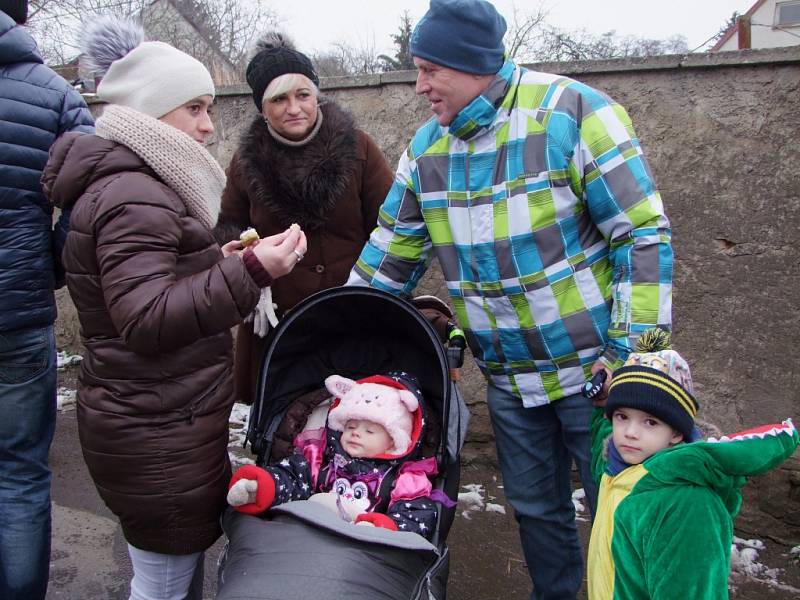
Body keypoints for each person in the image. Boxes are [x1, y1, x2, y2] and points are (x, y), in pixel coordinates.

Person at [346, 0, 673, 597]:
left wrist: (634, 359)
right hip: (509, 379)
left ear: (470, 63)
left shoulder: (574, 113)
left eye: (428, 70)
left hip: (598, 376)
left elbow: (642, 236)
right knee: (536, 512)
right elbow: (388, 259)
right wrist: (333, 330)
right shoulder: (427, 152)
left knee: (625, 512)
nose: (418, 86)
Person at [40, 17, 307, 600]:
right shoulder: (133, 192)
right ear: (151, 111)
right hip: (153, 429)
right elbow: (144, 318)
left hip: (161, 419)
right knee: (161, 585)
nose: (210, 126)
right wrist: (253, 271)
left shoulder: (137, 181)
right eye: (195, 108)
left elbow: (153, 284)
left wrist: (221, 260)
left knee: (169, 578)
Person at [214, 32, 394, 405]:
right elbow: (229, 227)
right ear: (262, 108)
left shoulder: (357, 147)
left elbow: (391, 227)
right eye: (279, 99)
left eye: (303, 95)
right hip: (280, 322)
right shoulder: (246, 163)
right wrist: (238, 257)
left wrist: (375, 295)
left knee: (355, 427)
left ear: (317, 96)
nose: (294, 107)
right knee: (286, 429)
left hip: (353, 314)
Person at [587, 328, 798, 599]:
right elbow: (602, 438)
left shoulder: (685, 504)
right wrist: (600, 406)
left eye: (650, 422)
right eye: (622, 416)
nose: (630, 432)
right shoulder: (615, 468)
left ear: (676, 433)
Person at [0, 2, 94, 598]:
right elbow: (85, 193)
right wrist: (50, 265)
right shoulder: (56, 94)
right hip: (18, 311)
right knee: (20, 476)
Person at [226, 372, 449, 539]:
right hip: (309, 536)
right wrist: (265, 486)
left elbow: (416, 516)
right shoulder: (322, 460)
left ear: (394, 440)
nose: (356, 434)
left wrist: (383, 528)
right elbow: (292, 478)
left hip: (364, 550)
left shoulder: (403, 479)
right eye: (350, 426)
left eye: (369, 431)